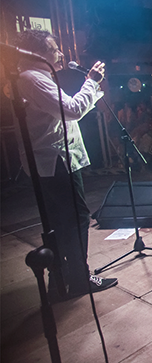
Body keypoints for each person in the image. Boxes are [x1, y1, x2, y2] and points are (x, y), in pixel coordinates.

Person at [14, 29, 116, 301]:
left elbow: (64, 114)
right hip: (56, 161)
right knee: (76, 218)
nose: (60, 53)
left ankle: (61, 278)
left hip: (52, 161)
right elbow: (71, 110)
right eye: (54, 47)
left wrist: (92, 93)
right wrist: (91, 82)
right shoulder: (34, 79)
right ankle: (78, 279)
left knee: (61, 222)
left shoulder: (35, 78)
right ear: (37, 52)